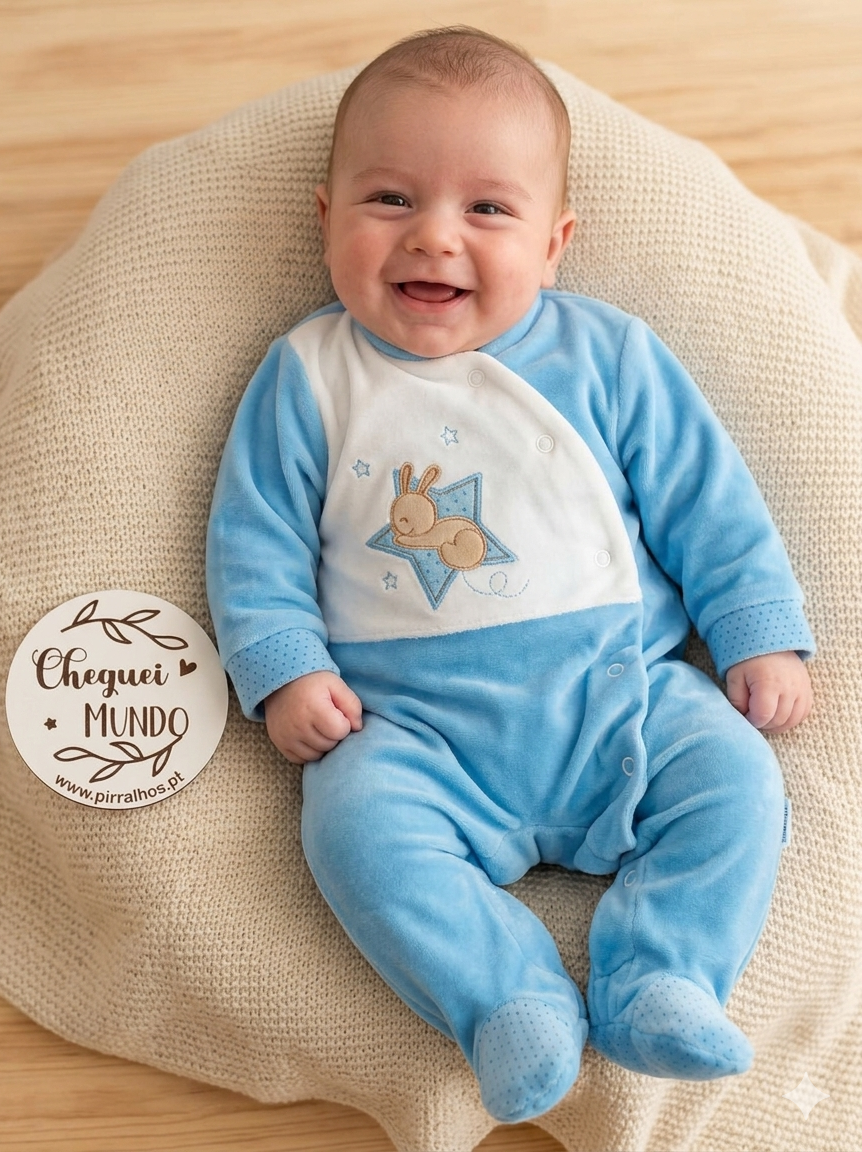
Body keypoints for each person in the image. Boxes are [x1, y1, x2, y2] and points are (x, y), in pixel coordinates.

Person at [206, 26, 814, 1124]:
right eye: (389, 200)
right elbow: (254, 540)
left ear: (554, 241)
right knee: (349, 827)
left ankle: (661, 975)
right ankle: (505, 1002)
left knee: (738, 786)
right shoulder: (309, 374)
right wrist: (284, 668)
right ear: (326, 220)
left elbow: (706, 501)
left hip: (625, 700)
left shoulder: (609, 357)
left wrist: (755, 627)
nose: (435, 238)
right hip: (414, 733)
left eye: (488, 210)